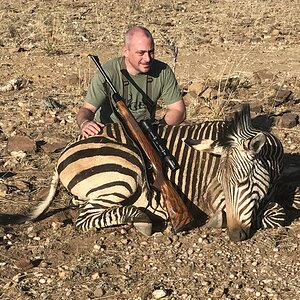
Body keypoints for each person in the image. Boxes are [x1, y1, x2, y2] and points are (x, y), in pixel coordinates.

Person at [76, 25, 186, 137]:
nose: (147, 58)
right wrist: (85, 123)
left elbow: (178, 111)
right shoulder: (107, 73)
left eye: (151, 52)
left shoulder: (163, 71)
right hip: (110, 134)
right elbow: (87, 109)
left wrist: (156, 129)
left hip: (146, 132)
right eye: (141, 53)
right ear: (125, 51)